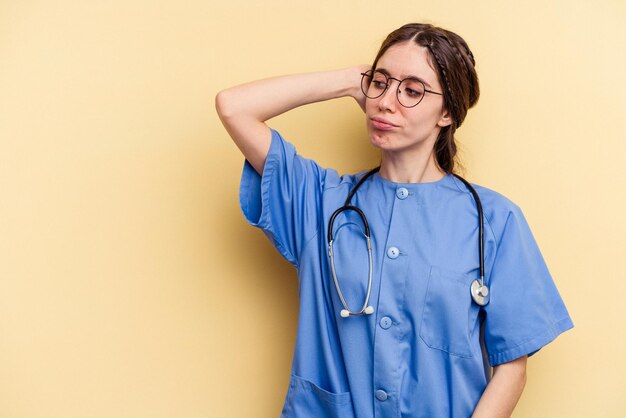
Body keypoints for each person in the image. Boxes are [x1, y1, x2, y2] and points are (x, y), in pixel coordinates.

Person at [216, 22, 573, 418]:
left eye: (412, 91)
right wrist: (352, 80)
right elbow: (234, 106)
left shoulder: (495, 220)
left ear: (448, 112)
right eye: (381, 83)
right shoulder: (320, 201)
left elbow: (512, 367)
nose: (386, 102)